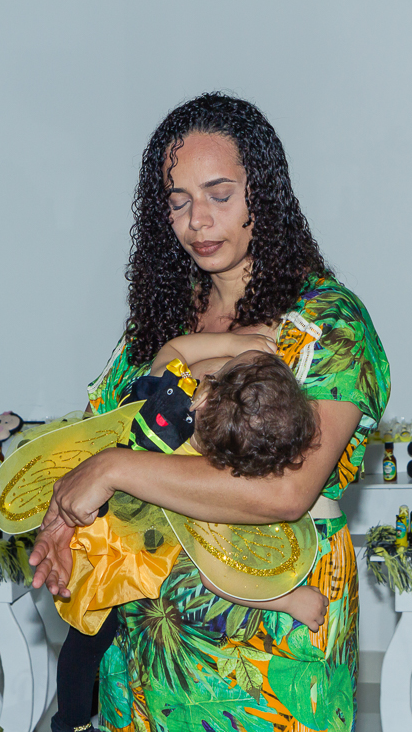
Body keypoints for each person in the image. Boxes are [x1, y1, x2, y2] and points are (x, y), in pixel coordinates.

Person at [31, 92, 390, 732]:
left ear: (265, 196)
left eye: (220, 194)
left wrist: (116, 470)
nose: (199, 220)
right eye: (178, 201)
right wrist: (64, 517)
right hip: (142, 647)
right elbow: (106, 436)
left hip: (268, 647)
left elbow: (285, 491)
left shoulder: (328, 323)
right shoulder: (161, 323)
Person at [52, 332, 328, 732]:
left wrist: (233, 343)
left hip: (104, 542)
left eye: (214, 374)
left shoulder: (166, 396)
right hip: (112, 548)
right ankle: (71, 723)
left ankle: (70, 722)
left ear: (204, 392)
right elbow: (219, 572)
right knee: (88, 639)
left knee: (84, 641)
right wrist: (287, 600)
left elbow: (173, 351)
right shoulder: (215, 465)